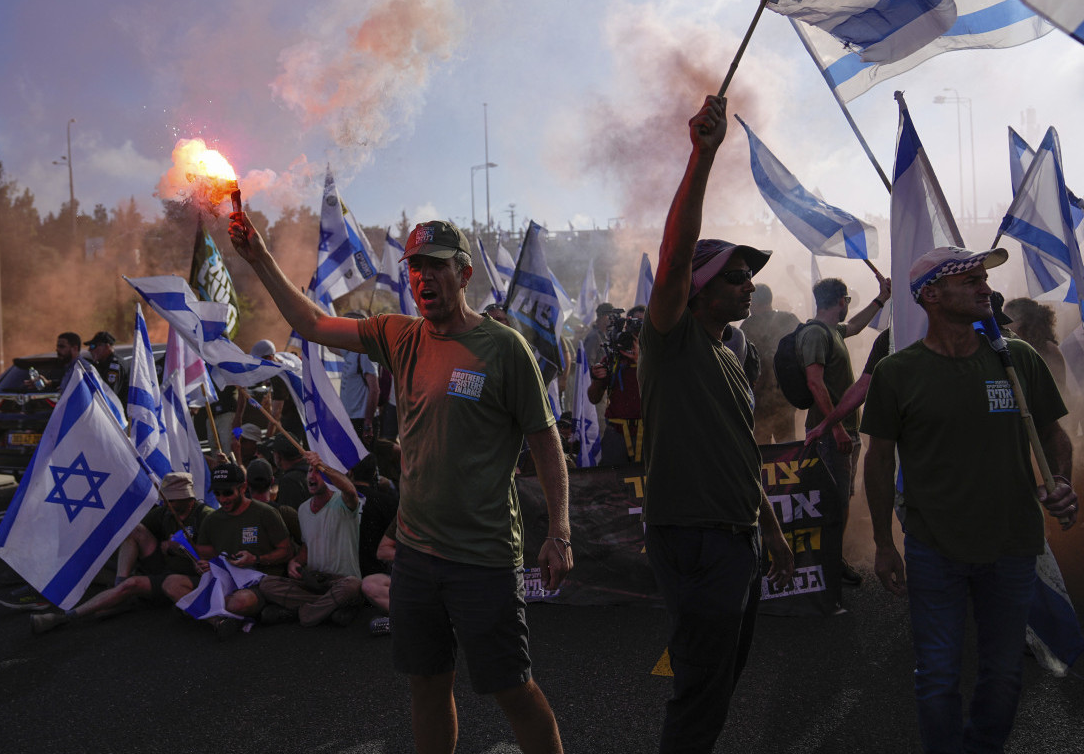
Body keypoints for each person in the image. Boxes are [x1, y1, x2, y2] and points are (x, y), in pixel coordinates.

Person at [230, 213, 573, 754]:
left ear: (463, 274)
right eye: (417, 268)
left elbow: (546, 443)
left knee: (511, 687)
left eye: (437, 266)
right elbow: (316, 325)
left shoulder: (505, 348)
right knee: (428, 685)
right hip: (416, 557)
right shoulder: (398, 335)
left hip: (483, 558)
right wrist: (258, 258)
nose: (424, 278)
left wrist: (559, 531)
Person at [861, 246, 1078, 753]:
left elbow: (1053, 434)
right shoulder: (898, 372)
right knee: (937, 675)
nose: (986, 287)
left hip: (1013, 545)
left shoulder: (1016, 357)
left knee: (1002, 676)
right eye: (971, 280)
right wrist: (882, 543)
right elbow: (877, 460)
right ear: (931, 296)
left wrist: (1060, 480)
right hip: (934, 547)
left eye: (985, 278)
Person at [639, 96, 794, 753]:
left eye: (752, 276)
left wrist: (774, 533)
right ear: (697, 287)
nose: (749, 285)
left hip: (737, 541)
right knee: (701, 689)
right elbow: (673, 257)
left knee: (720, 682)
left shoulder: (734, 355)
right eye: (734, 276)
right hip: (696, 540)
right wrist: (702, 156)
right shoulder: (671, 339)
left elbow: (738, 452)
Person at [30, 472, 213, 634]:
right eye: (166, 499)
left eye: (171, 500)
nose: (166, 503)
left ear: (187, 499)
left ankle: (67, 617)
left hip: (187, 575)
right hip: (163, 564)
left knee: (136, 585)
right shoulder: (165, 513)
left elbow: (217, 552)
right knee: (134, 529)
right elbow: (132, 529)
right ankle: (120, 584)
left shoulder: (205, 516)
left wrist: (180, 547)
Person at [798, 275, 890, 588]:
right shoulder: (814, 333)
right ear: (841, 301)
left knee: (842, 498)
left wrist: (881, 299)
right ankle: (827, 564)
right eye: (848, 301)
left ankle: (832, 560)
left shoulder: (831, 331)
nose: (849, 307)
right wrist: (835, 428)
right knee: (832, 499)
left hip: (841, 430)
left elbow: (856, 327)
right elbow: (814, 382)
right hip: (830, 433)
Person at [165, 462, 293, 639]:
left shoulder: (266, 513)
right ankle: (217, 620)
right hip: (222, 581)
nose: (222, 499)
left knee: (240, 602)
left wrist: (256, 559)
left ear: (243, 488)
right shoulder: (212, 520)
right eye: (217, 493)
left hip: (257, 582)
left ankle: (198, 608)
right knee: (171, 584)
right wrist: (201, 565)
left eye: (227, 493)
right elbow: (205, 555)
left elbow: (286, 551)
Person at [257, 451, 365, 627]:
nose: (311, 476)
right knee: (266, 584)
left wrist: (326, 467)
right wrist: (295, 562)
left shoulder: (344, 502)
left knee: (352, 586)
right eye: (309, 471)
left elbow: (350, 490)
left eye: (317, 471)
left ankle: (301, 612)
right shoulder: (303, 509)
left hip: (341, 581)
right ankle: (329, 609)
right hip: (314, 582)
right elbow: (307, 547)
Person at [739, 284, 800, 444]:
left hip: (759, 401)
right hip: (786, 399)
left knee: (761, 454)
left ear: (753, 302)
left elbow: (744, 365)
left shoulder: (748, 326)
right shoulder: (790, 320)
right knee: (787, 452)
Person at [586, 318, 642, 466]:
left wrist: (641, 361)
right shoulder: (613, 359)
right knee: (611, 484)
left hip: (648, 434)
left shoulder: (656, 358)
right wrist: (598, 379)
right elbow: (593, 398)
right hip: (616, 434)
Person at [339, 314, 380, 446]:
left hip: (362, 420)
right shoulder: (350, 350)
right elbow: (329, 345)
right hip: (350, 418)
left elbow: (375, 390)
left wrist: (368, 422)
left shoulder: (365, 353)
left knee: (363, 463)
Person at [270, 433, 310, 510]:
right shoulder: (313, 469)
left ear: (278, 456)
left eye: (273, 452)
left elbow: (289, 516)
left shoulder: (289, 481)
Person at [85, 330, 126, 401]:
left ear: (107, 347)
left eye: (93, 346)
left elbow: (109, 393)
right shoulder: (102, 363)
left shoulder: (115, 366)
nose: (90, 350)